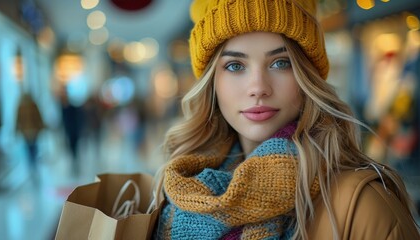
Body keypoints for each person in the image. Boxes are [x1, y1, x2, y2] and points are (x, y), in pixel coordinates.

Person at [153, 0, 420, 239]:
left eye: (281, 63)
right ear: (212, 83)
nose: (258, 87)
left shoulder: (365, 205)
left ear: (307, 76)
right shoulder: (179, 188)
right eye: (235, 66)